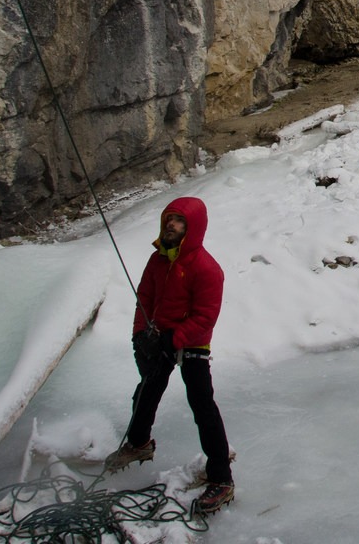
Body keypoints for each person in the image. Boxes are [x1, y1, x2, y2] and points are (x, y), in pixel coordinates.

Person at [105, 197, 235, 515]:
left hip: (192, 343)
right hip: (158, 337)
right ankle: (139, 444)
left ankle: (222, 478)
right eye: (169, 220)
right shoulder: (157, 260)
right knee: (147, 391)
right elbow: (145, 298)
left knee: (202, 404)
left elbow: (205, 316)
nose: (171, 225)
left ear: (193, 228)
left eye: (178, 221)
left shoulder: (206, 268)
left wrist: (173, 339)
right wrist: (140, 335)